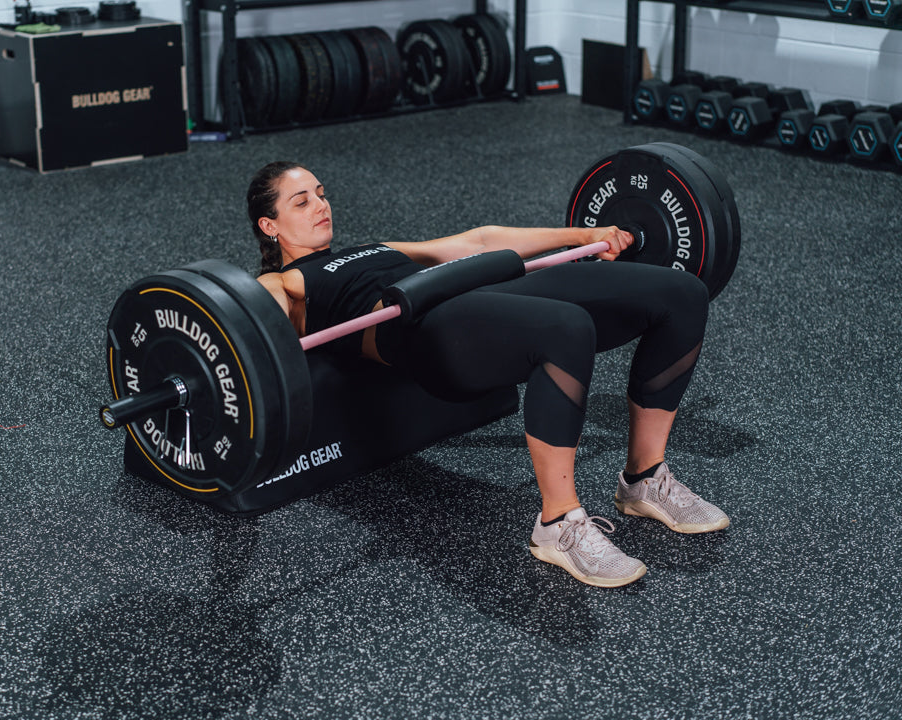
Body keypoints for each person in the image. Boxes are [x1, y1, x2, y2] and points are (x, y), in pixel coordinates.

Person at [249, 161, 729, 588]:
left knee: (681, 293)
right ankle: (558, 524)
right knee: (566, 328)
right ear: (269, 225)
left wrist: (582, 235)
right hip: (426, 335)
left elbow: (476, 243)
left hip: (478, 294)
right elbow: (255, 324)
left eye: (321, 192)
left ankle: (644, 479)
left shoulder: (373, 249)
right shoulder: (282, 283)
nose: (321, 205)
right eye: (302, 200)